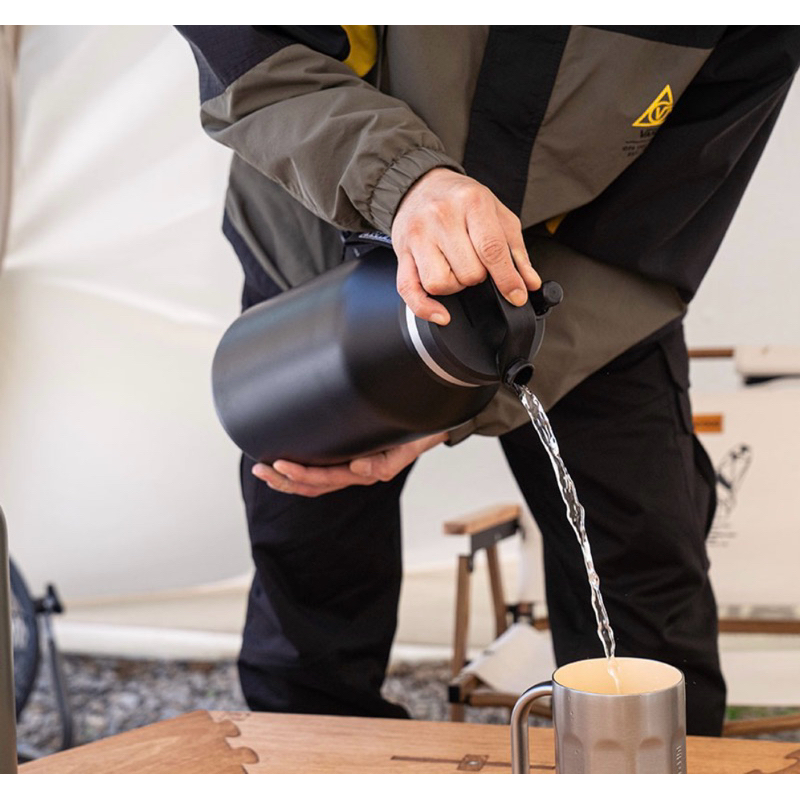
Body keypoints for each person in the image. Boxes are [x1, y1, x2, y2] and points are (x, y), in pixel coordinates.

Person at [177, 25, 800, 736]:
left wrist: (466, 395)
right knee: (313, 556)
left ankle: (639, 766)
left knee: (643, 571)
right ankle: (314, 760)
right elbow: (254, 46)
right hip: (328, 228)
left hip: (581, 284)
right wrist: (401, 178)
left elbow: (665, 204)